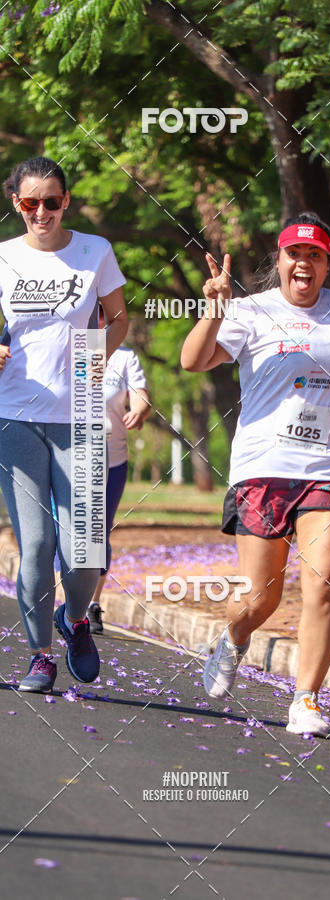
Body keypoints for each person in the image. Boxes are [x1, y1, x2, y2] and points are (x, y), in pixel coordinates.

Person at [181, 212, 330, 735]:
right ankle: (235, 637)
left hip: (329, 467)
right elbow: (193, 360)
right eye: (294, 254)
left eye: (315, 255)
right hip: (262, 467)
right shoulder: (249, 311)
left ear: (327, 265)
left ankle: (305, 700)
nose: (303, 263)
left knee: (323, 584)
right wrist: (213, 310)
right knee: (261, 595)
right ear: (280, 261)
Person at [0, 156, 128, 693]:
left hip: (79, 413)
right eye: (31, 203)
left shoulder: (94, 251)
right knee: (36, 545)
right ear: (16, 205)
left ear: (66, 201)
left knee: (84, 545)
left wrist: (95, 357)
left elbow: (118, 317)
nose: (42, 212)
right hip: (16, 417)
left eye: (52, 201)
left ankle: (74, 619)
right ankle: (40, 657)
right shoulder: (3, 257)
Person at [87, 306, 151, 634]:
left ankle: (91, 603)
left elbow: (141, 397)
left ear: (107, 319)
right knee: (67, 530)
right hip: (69, 456)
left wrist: (138, 411)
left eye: (97, 314)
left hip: (112, 458)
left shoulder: (125, 359)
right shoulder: (63, 352)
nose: (91, 320)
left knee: (98, 530)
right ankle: (69, 597)